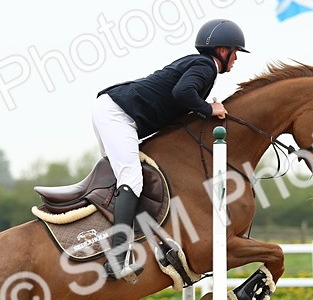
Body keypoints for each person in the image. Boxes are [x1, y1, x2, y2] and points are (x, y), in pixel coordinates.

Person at [92, 18, 249, 282]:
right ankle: (117, 258)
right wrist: (210, 109)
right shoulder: (205, 66)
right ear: (223, 51)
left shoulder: (197, 64)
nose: (236, 59)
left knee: (122, 181)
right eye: (235, 53)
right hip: (118, 115)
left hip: (113, 109)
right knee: (131, 179)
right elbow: (182, 92)